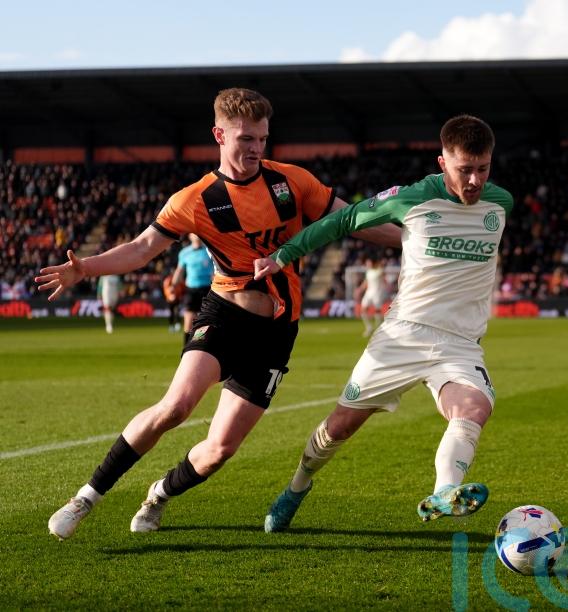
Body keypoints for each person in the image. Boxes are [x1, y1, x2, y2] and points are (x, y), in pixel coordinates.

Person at [36, 87, 399, 540]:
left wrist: (416, 242)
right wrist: (84, 267)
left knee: (220, 450)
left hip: (277, 332)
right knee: (176, 407)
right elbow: (142, 248)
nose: (256, 149)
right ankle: (85, 498)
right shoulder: (195, 199)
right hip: (225, 314)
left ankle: (159, 494)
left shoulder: (292, 182)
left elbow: (354, 220)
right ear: (219, 135)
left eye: (262, 139)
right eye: (245, 139)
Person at [255, 114, 513, 531]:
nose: (474, 181)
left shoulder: (500, 203)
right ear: (442, 162)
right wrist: (283, 255)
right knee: (339, 428)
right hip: (403, 335)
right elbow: (343, 220)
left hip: (461, 343)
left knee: (473, 409)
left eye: (482, 169)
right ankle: (296, 487)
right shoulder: (411, 198)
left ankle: (445, 492)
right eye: (464, 169)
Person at [173, 233, 213, 344]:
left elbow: (215, 270)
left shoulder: (209, 251)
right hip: (191, 290)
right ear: (190, 236)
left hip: (207, 289)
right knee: (188, 320)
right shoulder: (185, 253)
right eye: (194, 233)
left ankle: (199, 345)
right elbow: (179, 270)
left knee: (203, 320)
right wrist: (173, 285)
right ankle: (186, 347)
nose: (197, 235)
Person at [357, 257, 386, 337]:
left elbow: (383, 274)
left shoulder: (379, 270)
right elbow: (366, 282)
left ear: (372, 263)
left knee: (377, 310)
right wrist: (359, 289)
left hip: (377, 292)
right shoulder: (368, 272)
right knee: (363, 309)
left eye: (368, 263)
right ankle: (369, 328)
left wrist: (380, 264)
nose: (367, 264)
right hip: (369, 292)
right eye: (367, 263)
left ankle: (379, 329)